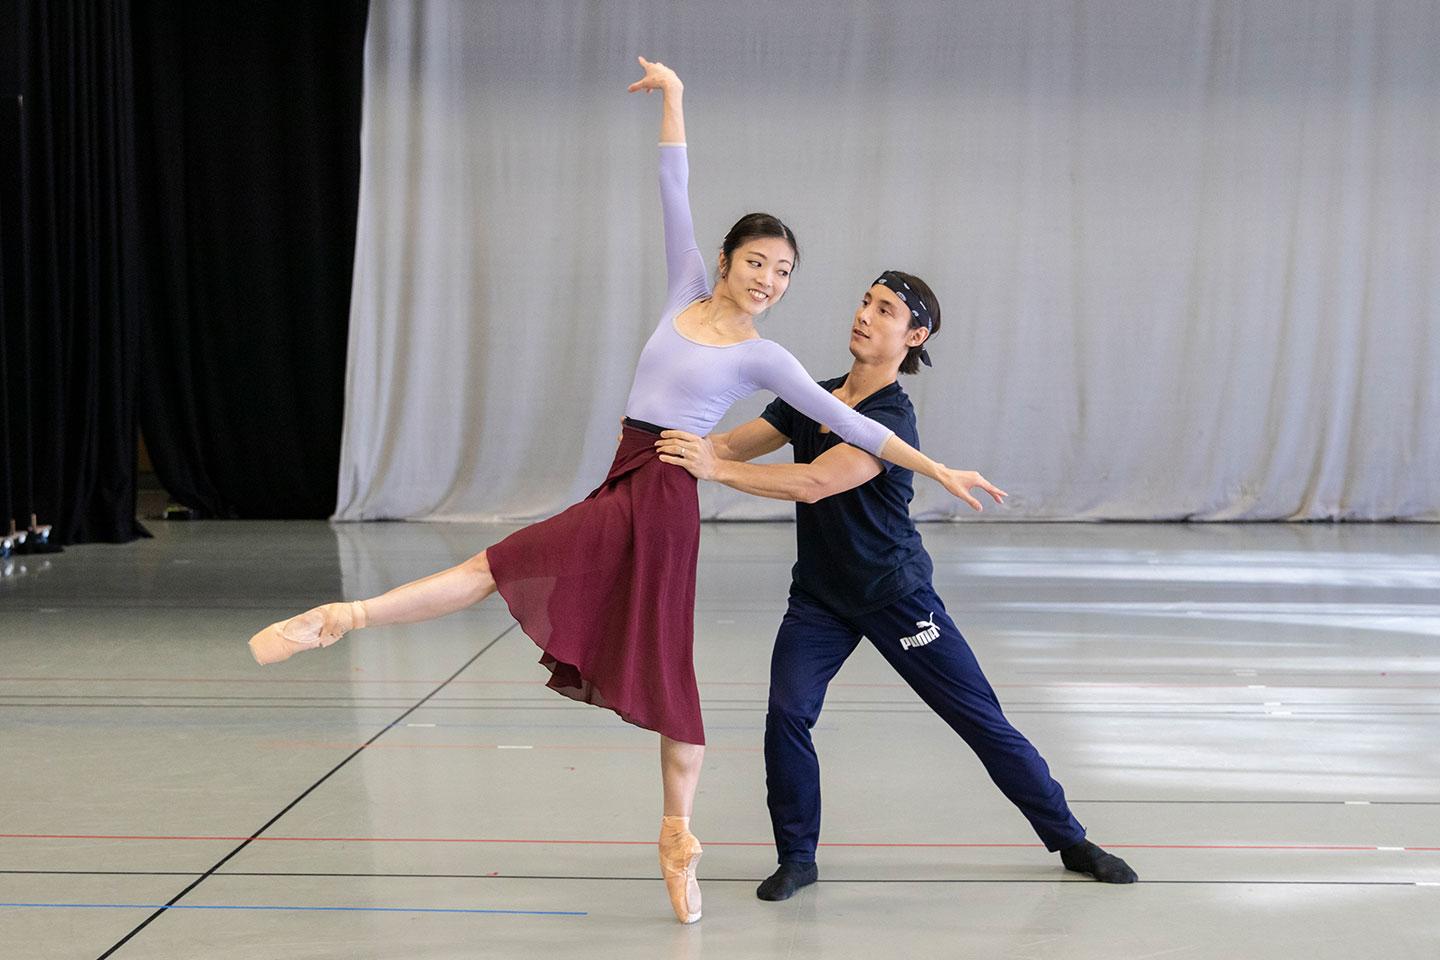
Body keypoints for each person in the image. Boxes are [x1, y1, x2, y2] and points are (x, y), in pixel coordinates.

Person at [246, 59, 1003, 924]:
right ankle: (340, 619)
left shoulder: (767, 357)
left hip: (669, 501)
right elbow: (671, 183)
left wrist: (936, 468)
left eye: (785, 272)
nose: (769, 280)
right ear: (724, 261)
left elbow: (855, 426)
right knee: (498, 564)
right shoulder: (685, 286)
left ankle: (677, 840)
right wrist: (677, 97)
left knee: (667, 671)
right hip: (625, 477)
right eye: (758, 261)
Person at [655, 270, 1138, 900]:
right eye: (864, 302)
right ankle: (798, 858)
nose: (864, 316)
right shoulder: (816, 396)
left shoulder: (892, 418)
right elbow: (726, 443)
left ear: (914, 335)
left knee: (979, 720)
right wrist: (657, 444)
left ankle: (1071, 840)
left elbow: (813, 482)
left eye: (884, 311)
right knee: (786, 715)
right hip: (821, 600)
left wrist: (713, 469)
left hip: (895, 595)